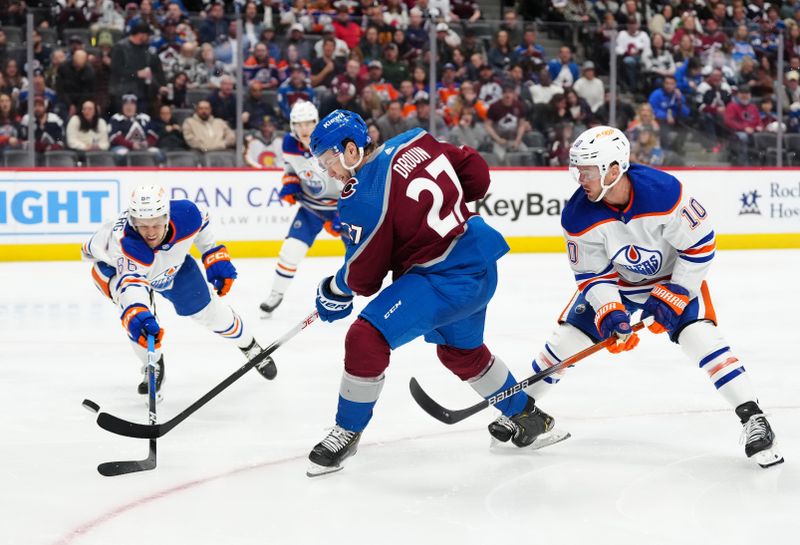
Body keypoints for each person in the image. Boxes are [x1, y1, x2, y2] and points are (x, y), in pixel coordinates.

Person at [304, 109, 558, 476]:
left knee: (366, 337)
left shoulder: (362, 196)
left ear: (350, 148)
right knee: (461, 354)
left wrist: (334, 289)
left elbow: (364, 278)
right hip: (479, 261)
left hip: (445, 278)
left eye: (329, 159)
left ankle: (347, 431)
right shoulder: (415, 139)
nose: (328, 171)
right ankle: (527, 417)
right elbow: (476, 175)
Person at [519, 125, 782, 469]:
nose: (580, 178)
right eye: (578, 169)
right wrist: (609, 310)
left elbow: (700, 244)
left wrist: (677, 292)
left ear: (614, 169)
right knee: (566, 341)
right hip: (620, 285)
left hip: (673, 279)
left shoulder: (664, 193)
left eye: (588, 170)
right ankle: (520, 413)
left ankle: (754, 419)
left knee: (701, 339)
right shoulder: (577, 213)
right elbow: (591, 274)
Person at [81, 184, 277, 397]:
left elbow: (202, 225)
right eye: (143, 226)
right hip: (117, 270)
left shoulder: (186, 214)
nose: (150, 232)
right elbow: (131, 284)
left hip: (173, 268)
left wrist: (212, 254)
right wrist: (137, 311)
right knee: (138, 323)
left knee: (212, 314)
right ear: (133, 221)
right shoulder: (126, 244)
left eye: (156, 224)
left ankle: (250, 346)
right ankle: (152, 364)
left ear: (167, 216)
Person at [259, 101, 342, 317]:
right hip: (311, 208)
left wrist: (344, 211)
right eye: (299, 124)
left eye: (308, 124)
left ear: (317, 123)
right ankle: (276, 294)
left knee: (359, 254)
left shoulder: (334, 145)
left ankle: (360, 294)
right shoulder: (289, 143)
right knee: (290, 252)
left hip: (341, 208)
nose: (304, 129)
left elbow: (352, 179)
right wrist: (291, 182)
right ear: (292, 125)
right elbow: (290, 166)